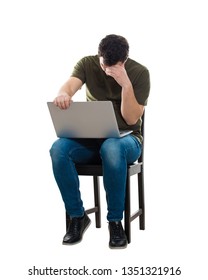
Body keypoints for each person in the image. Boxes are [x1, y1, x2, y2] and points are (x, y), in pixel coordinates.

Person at [50, 34, 150, 249]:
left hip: (127, 142)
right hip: (93, 141)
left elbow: (132, 119)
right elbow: (69, 86)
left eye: (113, 66)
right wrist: (63, 95)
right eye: (104, 64)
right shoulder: (87, 63)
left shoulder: (140, 73)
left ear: (123, 61)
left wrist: (125, 85)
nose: (106, 70)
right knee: (58, 149)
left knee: (112, 147)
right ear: (99, 56)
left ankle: (115, 222)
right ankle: (77, 217)